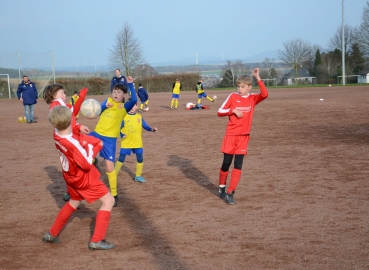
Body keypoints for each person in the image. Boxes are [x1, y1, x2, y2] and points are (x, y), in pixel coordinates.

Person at [42, 106, 115, 250]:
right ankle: (97, 240)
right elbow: (87, 163)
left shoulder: (56, 133)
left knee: (74, 202)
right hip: (83, 178)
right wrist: (97, 146)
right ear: (70, 121)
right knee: (109, 201)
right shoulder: (73, 144)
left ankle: (52, 234)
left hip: (70, 176)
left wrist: (78, 129)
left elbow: (70, 133)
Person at [217, 68, 268, 205]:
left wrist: (257, 77)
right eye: (238, 86)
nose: (240, 89)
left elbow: (265, 94)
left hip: (243, 137)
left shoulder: (252, 99)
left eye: (243, 86)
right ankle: (222, 187)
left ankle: (230, 192)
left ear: (249, 87)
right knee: (226, 164)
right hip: (231, 135)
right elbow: (219, 111)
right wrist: (232, 110)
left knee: (238, 165)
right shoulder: (233, 96)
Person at [89, 77, 137, 207]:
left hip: (110, 141)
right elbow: (96, 111)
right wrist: (104, 105)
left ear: (124, 95)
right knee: (82, 152)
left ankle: (114, 194)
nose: (116, 94)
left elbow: (134, 100)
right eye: (114, 91)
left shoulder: (124, 107)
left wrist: (131, 84)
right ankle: (93, 162)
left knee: (110, 168)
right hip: (97, 134)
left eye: (119, 92)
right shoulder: (108, 101)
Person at [43, 84, 91, 202]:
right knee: (75, 165)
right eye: (62, 93)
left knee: (74, 165)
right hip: (66, 138)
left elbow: (73, 113)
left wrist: (81, 97)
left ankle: (72, 192)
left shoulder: (60, 105)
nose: (65, 95)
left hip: (70, 136)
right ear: (55, 95)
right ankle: (73, 192)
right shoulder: (56, 106)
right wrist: (77, 127)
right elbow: (64, 122)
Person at [115, 103, 157, 183]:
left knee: (140, 158)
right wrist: (121, 134)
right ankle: (114, 174)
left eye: (134, 105)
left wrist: (152, 129)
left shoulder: (139, 117)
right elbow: (118, 128)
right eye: (130, 105)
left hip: (137, 142)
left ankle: (138, 176)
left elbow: (145, 126)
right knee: (121, 158)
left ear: (137, 106)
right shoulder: (123, 117)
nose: (132, 107)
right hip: (126, 142)